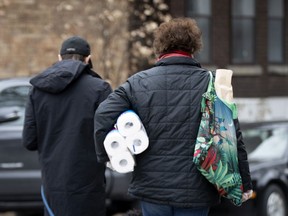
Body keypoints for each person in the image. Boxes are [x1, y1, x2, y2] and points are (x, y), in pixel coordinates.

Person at [94, 18, 253, 216]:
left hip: (153, 190)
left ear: (160, 47)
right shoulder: (212, 84)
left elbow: (102, 114)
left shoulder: (137, 83)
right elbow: (233, 137)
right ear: (194, 47)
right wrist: (245, 183)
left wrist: (106, 156)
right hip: (197, 191)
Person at [22, 36, 112, 216]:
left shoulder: (37, 90)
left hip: (52, 186)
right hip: (88, 186)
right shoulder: (99, 88)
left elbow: (29, 141)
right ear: (88, 59)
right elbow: (110, 139)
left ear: (59, 57)